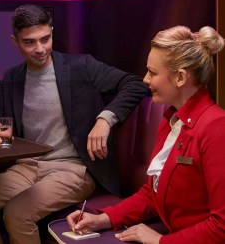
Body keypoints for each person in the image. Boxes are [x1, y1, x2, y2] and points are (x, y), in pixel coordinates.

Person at [0, 4, 149, 244]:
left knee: (17, 213)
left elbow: (135, 84)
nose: (40, 49)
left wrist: (105, 119)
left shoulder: (81, 66)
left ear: (52, 31)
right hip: (27, 167)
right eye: (29, 42)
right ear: (15, 41)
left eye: (45, 39)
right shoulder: (13, 77)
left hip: (73, 170)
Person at [67, 26, 225, 244]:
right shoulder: (171, 121)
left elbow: (221, 226)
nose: (145, 80)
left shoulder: (217, 127)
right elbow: (152, 194)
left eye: (152, 72)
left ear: (180, 78)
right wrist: (102, 219)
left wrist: (160, 241)